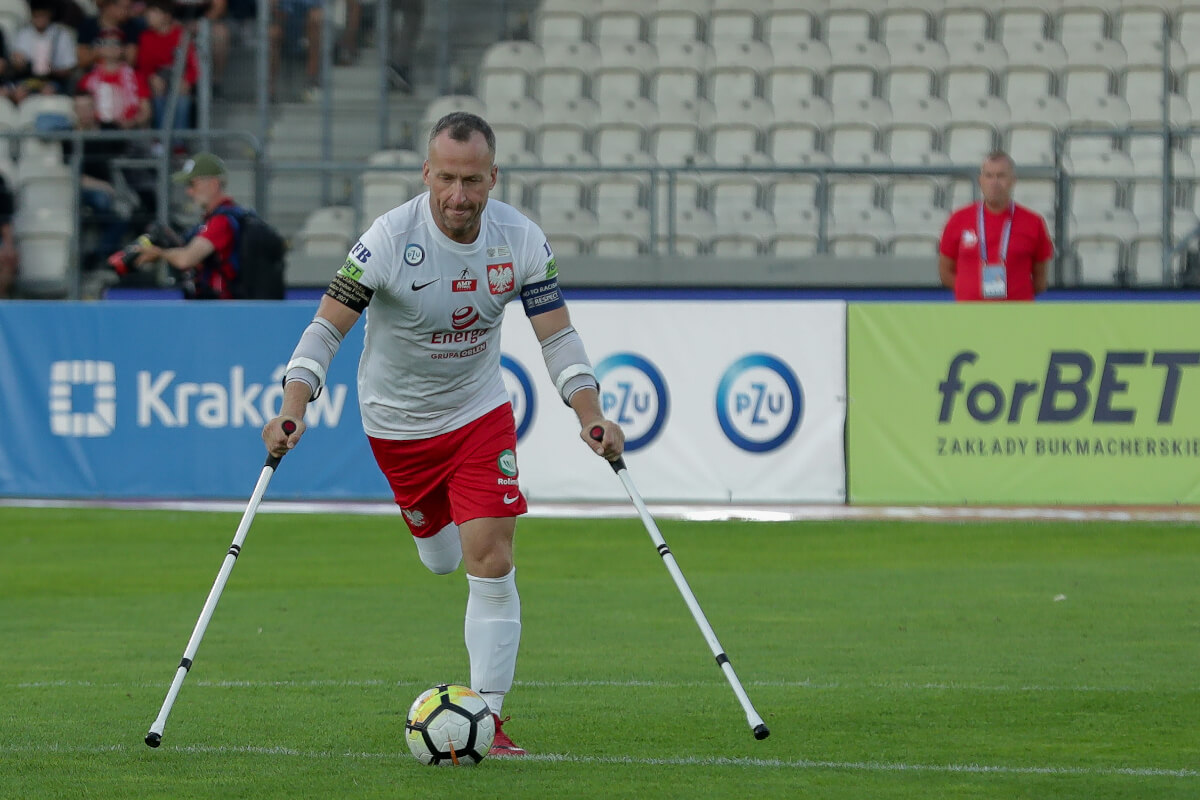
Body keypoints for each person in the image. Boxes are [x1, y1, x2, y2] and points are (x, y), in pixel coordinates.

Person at [260, 112, 626, 757]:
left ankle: (489, 718)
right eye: (447, 179)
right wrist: (295, 404)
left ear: (493, 178)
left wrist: (588, 411)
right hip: (396, 427)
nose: (459, 196)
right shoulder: (386, 240)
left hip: (479, 415)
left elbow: (558, 337)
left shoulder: (522, 240)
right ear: (427, 173)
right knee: (441, 557)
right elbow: (324, 330)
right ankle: (429, 532)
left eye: (473, 181)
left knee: (491, 558)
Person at [938, 150, 1054, 302]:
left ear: (1013, 180)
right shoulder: (958, 219)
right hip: (970, 316)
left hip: (1016, 316)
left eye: (1001, 176)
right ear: (980, 180)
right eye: (989, 176)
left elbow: (1040, 280)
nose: (994, 182)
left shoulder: (1033, 222)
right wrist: (969, 290)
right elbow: (945, 272)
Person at [132, 151, 241, 298]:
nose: (189, 192)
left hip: (223, 310)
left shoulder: (221, 221)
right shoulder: (222, 217)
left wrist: (158, 253)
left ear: (214, 184)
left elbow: (185, 259)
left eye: (193, 184)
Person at [135, 0, 198, 131]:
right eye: (148, 13)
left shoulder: (181, 35)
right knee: (158, 96)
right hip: (157, 82)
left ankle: (179, 144)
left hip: (179, 78)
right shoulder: (145, 37)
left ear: (167, 16)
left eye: (154, 13)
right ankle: (160, 140)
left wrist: (187, 81)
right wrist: (152, 78)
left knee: (182, 98)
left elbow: (194, 65)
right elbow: (143, 66)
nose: (149, 16)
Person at [9, 0, 78, 103]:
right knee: (19, 93)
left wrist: (51, 69)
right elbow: (16, 64)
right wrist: (19, 62)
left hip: (53, 80)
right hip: (29, 78)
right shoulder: (24, 34)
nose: (40, 19)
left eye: (43, 15)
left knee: (48, 92)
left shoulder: (61, 35)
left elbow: (69, 69)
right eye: (36, 16)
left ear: (49, 15)